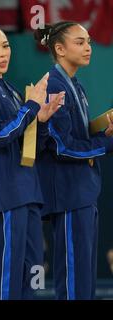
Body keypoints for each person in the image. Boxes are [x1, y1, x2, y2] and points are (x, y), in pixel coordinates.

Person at [0, 16, 64, 300]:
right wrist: (31, 107)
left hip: (28, 193)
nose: (3, 53)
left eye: (5, 46)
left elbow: (28, 143)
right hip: (4, 195)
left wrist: (41, 120)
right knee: (7, 270)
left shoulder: (10, 89)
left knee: (35, 271)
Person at [34, 22, 113, 300]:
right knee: (73, 279)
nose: (88, 47)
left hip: (82, 191)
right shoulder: (54, 86)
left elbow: (78, 137)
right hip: (67, 194)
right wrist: (107, 142)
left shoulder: (75, 85)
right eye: (80, 42)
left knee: (84, 277)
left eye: (88, 41)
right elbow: (62, 146)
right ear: (59, 48)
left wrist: (105, 133)